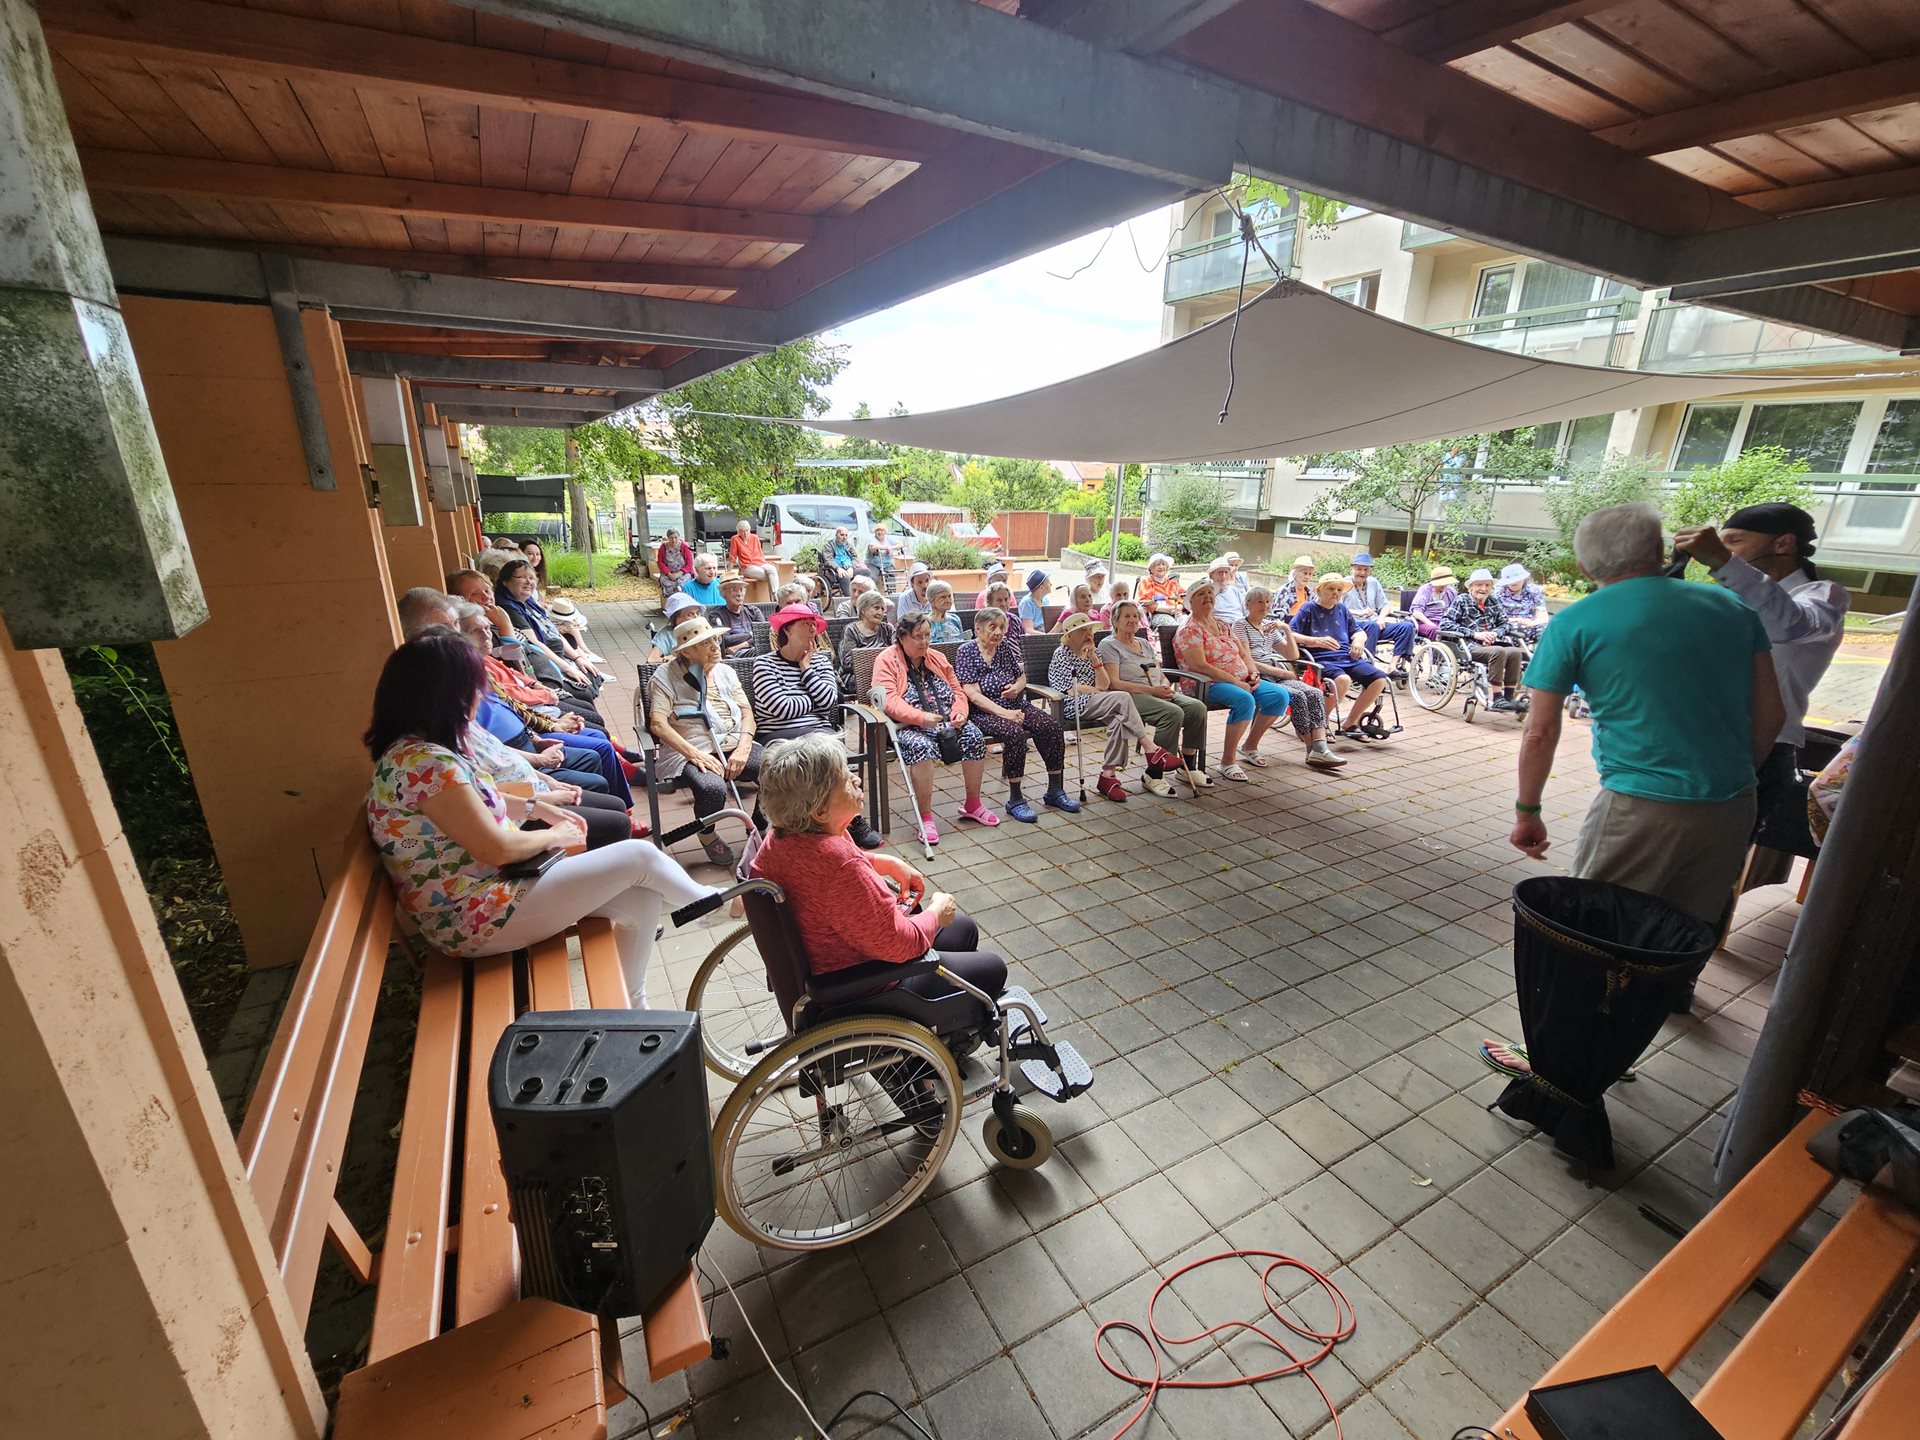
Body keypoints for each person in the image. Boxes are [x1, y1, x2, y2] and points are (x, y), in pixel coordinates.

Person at [364, 631, 709, 1004]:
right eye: (474, 687)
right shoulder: (428, 764)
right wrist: (555, 833)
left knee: (640, 898)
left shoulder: (415, 751)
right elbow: (499, 849)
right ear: (447, 697)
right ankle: (718, 903)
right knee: (638, 857)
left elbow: (476, 801)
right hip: (472, 916)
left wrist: (535, 807)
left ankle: (632, 1005)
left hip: (482, 897)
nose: (480, 696)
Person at [1507, 503, 1782, 928]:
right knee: (1681, 937)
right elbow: (1772, 713)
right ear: (1657, 550)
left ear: (1583, 567)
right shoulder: (1732, 607)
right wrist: (1733, 777)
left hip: (1639, 807)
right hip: (1732, 806)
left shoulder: (1575, 621)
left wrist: (1528, 812)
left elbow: (1539, 732)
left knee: (1596, 932)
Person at [749, 734, 1006, 1002]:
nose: (857, 780)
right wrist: (936, 913)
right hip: (867, 984)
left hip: (829, 958)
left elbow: (818, 872)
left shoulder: (783, 836)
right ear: (820, 810)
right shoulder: (841, 866)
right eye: (845, 778)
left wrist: (884, 862)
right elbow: (901, 944)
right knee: (991, 968)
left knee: (963, 928)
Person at [1672, 503, 1849, 817]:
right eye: (1722, 544)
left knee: (1718, 843)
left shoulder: (1823, 596)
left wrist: (1722, 560)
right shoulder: (1735, 597)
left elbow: (1787, 624)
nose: (1726, 550)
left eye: (1734, 541)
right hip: (1701, 738)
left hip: (1764, 748)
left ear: (1783, 544)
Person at [749, 605, 884, 849]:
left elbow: (830, 701)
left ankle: (852, 820)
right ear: (787, 629)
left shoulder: (820, 662)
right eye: (805, 623)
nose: (813, 628)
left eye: (814, 623)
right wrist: (813, 700)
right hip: (778, 734)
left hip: (819, 731)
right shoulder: (764, 664)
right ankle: (789, 818)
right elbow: (781, 709)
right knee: (805, 760)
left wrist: (807, 670)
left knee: (830, 758)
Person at [649, 616, 762, 868]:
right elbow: (658, 724)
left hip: (734, 741)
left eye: (715, 639)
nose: (715, 646)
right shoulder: (665, 676)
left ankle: (759, 824)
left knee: (777, 769)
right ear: (687, 651)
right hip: (692, 748)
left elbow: (747, 714)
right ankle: (707, 833)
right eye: (705, 643)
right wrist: (695, 755)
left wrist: (744, 747)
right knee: (712, 788)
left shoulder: (726, 671)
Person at [873, 611, 993, 844]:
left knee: (974, 736)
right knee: (922, 748)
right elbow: (889, 700)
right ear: (902, 637)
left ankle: (973, 804)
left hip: (946, 720)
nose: (925, 642)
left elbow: (957, 690)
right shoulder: (887, 660)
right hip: (907, 725)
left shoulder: (936, 657)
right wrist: (921, 718)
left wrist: (960, 712)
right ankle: (925, 817)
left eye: (927, 635)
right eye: (918, 637)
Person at [956, 606, 1080, 821]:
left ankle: (1055, 790)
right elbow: (972, 694)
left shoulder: (1003, 647)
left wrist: (1016, 687)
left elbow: (1021, 676)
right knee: (1014, 733)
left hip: (1015, 705)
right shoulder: (966, 651)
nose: (998, 632)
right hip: (984, 712)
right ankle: (1015, 799)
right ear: (978, 628)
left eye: (1002, 627)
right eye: (992, 627)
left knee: (1050, 726)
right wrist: (1005, 713)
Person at [1175, 578, 1288, 782]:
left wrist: (1254, 673)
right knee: (1245, 700)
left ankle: (1250, 746)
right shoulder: (1189, 629)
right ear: (1190, 602)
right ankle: (1228, 761)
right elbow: (1199, 666)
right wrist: (1236, 682)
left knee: (1279, 695)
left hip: (1240, 680)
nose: (1207, 597)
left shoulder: (1222, 624)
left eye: (1210, 593)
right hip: (1206, 684)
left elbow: (1243, 653)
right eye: (1201, 594)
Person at [1098, 599, 1206, 794]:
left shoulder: (1144, 643)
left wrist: (1164, 684)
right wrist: (1153, 691)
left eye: (1135, 616)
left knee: (1197, 708)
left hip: (1156, 690)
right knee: (1172, 713)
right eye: (1126, 616)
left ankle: (1187, 766)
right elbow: (1114, 683)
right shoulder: (1109, 645)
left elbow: (1159, 672)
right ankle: (1154, 774)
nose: (1132, 620)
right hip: (1129, 696)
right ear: (1115, 621)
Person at [1047, 615, 1154, 803]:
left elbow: (1104, 684)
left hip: (1098, 701)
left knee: (1119, 720)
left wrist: (1095, 660)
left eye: (1090, 630)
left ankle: (1108, 775)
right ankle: (1149, 747)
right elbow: (1072, 689)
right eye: (1083, 630)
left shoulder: (1094, 652)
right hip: (1070, 704)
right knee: (1122, 697)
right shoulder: (1061, 654)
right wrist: (1099, 692)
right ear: (1069, 636)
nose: (1089, 634)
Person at [1238, 586, 1345, 770]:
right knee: (1297, 696)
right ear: (1248, 604)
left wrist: (1286, 629)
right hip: (1258, 676)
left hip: (1277, 673)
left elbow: (1292, 655)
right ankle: (1313, 750)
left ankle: (1320, 747)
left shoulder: (1269, 627)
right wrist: (1280, 672)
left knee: (1314, 693)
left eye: (1268, 602)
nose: (1265, 606)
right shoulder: (1240, 626)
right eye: (1260, 602)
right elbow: (1247, 660)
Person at [1290, 574, 1388, 739]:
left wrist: (1359, 641)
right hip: (1320, 657)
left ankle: (1351, 722)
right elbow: (1290, 633)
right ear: (1319, 590)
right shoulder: (1308, 608)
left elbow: (1358, 631)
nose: (1335, 593)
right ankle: (1320, 722)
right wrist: (1316, 641)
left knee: (1379, 679)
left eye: (1339, 589)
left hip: (1346, 656)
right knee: (1343, 680)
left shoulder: (1342, 609)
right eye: (1331, 589)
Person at [1441, 569, 1530, 713]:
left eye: (1487, 585)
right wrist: (1475, 634)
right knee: (1498, 651)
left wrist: (1495, 633)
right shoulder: (1462, 600)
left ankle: (1508, 698)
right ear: (1470, 587)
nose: (1484, 589)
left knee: (1515, 652)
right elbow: (1445, 623)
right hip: (1468, 645)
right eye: (1479, 585)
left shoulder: (1493, 601)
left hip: (1492, 643)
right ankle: (1497, 698)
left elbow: (1506, 624)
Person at [1345, 551, 1418, 663]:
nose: (1362, 573)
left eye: (1366, 570)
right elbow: (1336, 608)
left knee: (1407, 626)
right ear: (1352, 568)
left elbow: (1385, 605)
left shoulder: (1373, 582)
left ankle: (1393, 666)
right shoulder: (1344, 583)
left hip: (1375, 624)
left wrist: (1381, 617)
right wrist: (1359, 612)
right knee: (1373, 626)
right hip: (1354, 626)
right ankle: (1367, 663)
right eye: (1359, 569)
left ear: (1370, 570)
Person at [837, 589, 895, 692]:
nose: (880, 612)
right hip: (858, 675)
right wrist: (878, 661)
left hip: (885, 671)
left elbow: (898, 651)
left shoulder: (887, 629)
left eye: (882, 609)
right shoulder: (851, 630)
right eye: (876, 608)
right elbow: (847, 662)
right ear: (863, 610)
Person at [1495, 563, 1551, 639]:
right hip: (1509, 623)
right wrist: (1517, 620)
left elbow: (1542, 616)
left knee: (1547, 630)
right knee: (1519, 630)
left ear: (1523, 579)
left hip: (1531, 622)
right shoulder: (1499, 593)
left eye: (1516, 579)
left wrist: (1532, 623)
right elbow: (1496, 618)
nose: (1513, 582)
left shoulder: (1534, 591)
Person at [712, 574, 763, 656]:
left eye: (741, 590)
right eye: (734, 590)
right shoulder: (716, 615)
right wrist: (750, 634)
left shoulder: (754, 611)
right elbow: (725, 640)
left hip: (751, 650)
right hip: (734, 656)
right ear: (724, 594)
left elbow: (762, 635)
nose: (739, 594)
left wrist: (739, 646)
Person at [1408, 567, 1459, 638]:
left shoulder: (1451, 592)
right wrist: (1431, 624)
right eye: (1442, 583)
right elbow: (1417, 612)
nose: (1444, 585)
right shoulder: (1425, 590)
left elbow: (1454, 611)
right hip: (1424, 622)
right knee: (1436, 630)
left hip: (1443, 622)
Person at [1138, 554, 1186, 627]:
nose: (1161, 567)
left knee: (1188, 624)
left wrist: (1179, 607)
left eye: (1163, 564)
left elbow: (1184, 598)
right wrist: (1169, 609)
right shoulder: (1146, 582)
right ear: (1151, 568)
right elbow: (1144, 602)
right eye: (1158, 564)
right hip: (1158, 614)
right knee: (1174, 626)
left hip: (1177, 613)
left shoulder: (1173, 583)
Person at [729, 519, 772, 589]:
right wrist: (728, 573)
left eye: (747, 530)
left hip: (760, 563)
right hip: (747, 566)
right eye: (742, 531)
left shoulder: (755, 537)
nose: (745, 533)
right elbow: (732, 558)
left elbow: (760, 553)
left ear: (750, 529)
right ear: (738, 532)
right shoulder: (735, 539)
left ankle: (775, 594)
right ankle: (774, 595)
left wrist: (764, 563)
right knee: (767, 575)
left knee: (772, 570)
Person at [1206, 556, 1246, 625]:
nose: (1223, 576)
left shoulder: (1234, 590)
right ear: (1211, 575)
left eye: (1226, 572)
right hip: (1222, 628)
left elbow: (1247, 611)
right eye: (1220, 572)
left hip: (1242, 626)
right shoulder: (1206, 595)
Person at [824, 524, 862, 597]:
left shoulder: (848, 545)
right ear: (836, 535)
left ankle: (863, 596)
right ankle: (849, 598)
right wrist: (837, 568)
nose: (844, 537)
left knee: (865, 572)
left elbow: (855, 557)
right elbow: (828, 560)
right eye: (842, 535)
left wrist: (851, 567)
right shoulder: (829, 546)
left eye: (846, 535)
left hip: (849, 568)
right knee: (845, 576)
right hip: (835, 570)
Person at [657, 528, 694, 597]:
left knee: (683, 582)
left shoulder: (685, 546)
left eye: (675, 537)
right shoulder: (663, 547)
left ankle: (682, 597)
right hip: (668, 574)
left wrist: (678, 574)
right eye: (671, 538)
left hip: (683, 573)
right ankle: (670, 598)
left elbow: (689, 564)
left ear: (679, 537)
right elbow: (660, 562)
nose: (673, 540)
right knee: (666, 582)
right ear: (668, 538)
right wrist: (669, 574)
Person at [866, 522, 899, 593]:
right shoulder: (872, 539)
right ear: (875, 532)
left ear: (885, 532)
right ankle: (873, 593)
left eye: (882, 530)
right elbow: (873, 546)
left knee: (891, 574)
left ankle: (892, 593)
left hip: (887, 564)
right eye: (878, 530)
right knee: (872, 576)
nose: (880, 532)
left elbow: (901, 544)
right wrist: (886, 547)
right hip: (874, 564)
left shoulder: (888, 539)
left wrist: (891, 547)